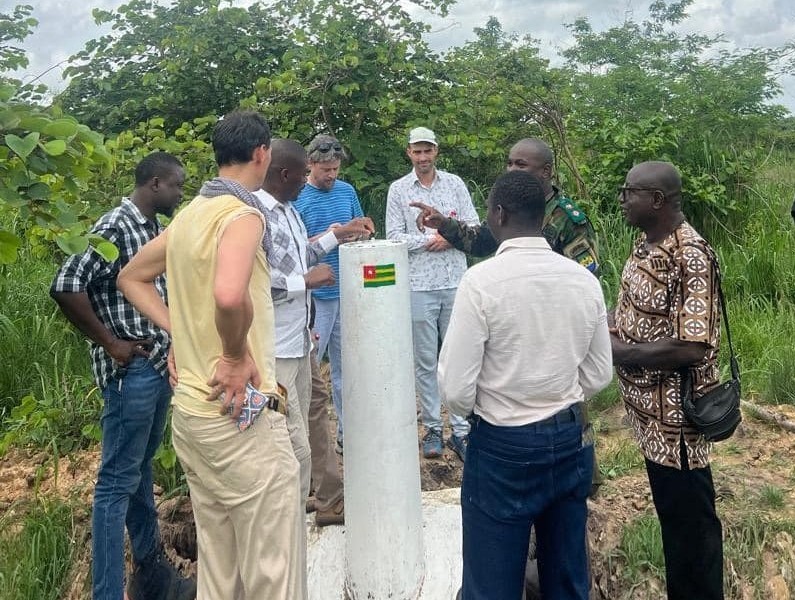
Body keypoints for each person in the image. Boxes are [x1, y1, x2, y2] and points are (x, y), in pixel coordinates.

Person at [117, 111, 306, 599]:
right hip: (240, 418)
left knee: (222, 572)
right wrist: (234, 354)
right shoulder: (242, 216)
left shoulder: (189, 216)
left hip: (193, 417)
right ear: (262, 154)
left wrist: (182, 332)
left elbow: (131, 277)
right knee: (274, 573)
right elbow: (228, 294)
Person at [438, 170, 612, 600]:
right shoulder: (583, 280)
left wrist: (497, 405)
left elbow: (456, 389)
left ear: (498, 214)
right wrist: (555, 395)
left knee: (491, 584)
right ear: (541, 216)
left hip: (503, 446)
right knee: (567, 580)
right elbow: (599, 373)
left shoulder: (480, 283)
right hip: (570, 440)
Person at [50, 152, 195, 600]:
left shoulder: (151, 228)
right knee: (115, 484)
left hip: (155, 366)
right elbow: (66, 284)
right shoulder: (115, 226)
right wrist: (111, 343)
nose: (180, 192)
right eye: (176, 185)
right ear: (155, 184)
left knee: (137, 471)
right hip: (129, 373)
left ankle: (153, 578)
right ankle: (108, 592)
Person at [611, 161, 724, 600]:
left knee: (692, 540)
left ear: (656, 200)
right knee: (675, 531)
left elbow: (692, 346)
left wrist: (622, 353)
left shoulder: (690, 256)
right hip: (649, 423)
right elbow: (633, 311)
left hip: (677, 429)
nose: (622, 199)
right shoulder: (646, 245)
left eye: (629, 192)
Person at [254, 139, 371, 525]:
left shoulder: (288, 211)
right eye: (303, 174)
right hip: (275, 348)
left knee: (315, 409)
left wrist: (340, 234)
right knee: (287, 433)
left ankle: (328, 498)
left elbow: (301, 255)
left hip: (299, 339)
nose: (308, 182)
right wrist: (306, 282)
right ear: (284, 173)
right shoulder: (255, 216)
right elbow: (253, 283)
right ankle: (285, 516)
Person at [386, 126, 480, 461]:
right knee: (425, 360)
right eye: (417, 151)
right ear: (409, 153)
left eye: (428, 150)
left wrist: (450, 237)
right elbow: (394, 237)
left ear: (436, 151)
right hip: (418, 285)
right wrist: (431, 239)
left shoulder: (454, 184)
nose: (423, 157)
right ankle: (433, 427)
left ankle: (462, 429)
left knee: (458, 356)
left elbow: (474, 225)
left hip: (455, 282)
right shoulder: (398, 190)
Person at [412, 137, 598, 274]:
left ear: (546, 171)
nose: (512, 171)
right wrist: (444, 224)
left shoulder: (567, 220)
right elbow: (480, 243)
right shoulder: (508, 209)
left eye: (521, 165)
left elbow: (586, 278)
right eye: (510, 164)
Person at [294, 134, 366, 455]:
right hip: (315, 298)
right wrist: (329, 236)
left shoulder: (347, 191)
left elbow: (361, 228)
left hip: (347, 292)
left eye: (336, 169)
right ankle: (307, 442)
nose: (332, 175)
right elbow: (294, 248)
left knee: (346, 369)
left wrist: (357, 233)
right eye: (326, 170)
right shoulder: (298, 196)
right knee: (309, 372)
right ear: (311, 164)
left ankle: (347, 435)